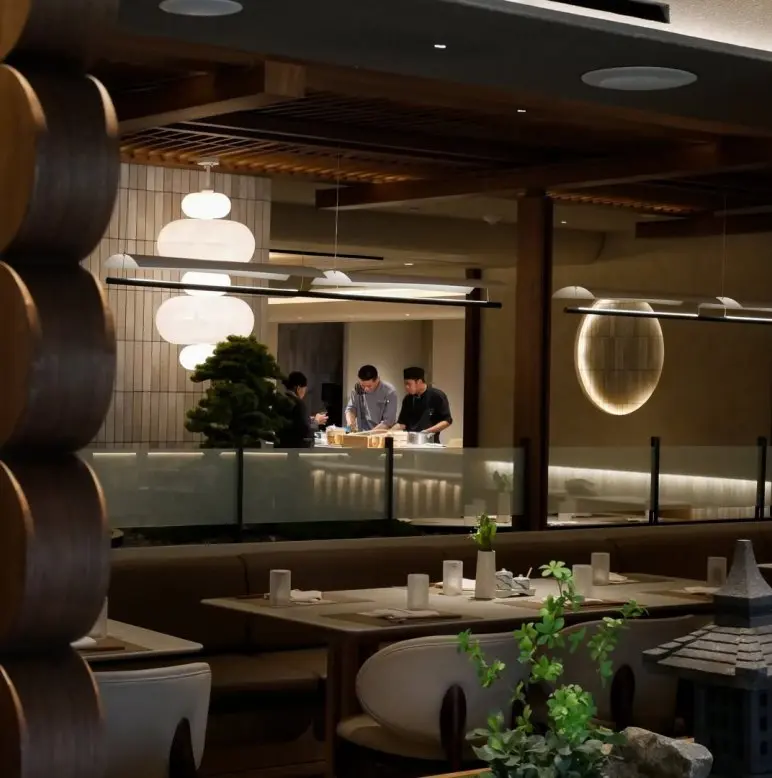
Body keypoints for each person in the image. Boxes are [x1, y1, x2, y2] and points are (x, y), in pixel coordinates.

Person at [392, 366, 452, 441]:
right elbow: (402, 423)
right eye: (405, 384)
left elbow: (447, 421)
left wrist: (426, 432)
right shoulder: (408, 399)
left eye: (408, 384)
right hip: (410, 441)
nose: (406, 387)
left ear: (419, 382)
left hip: (430, 441)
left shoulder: (437, 396)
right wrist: (389, 433)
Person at [277, 371, 327, 448]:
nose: (304, 393)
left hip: (280, 446)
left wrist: (309, 419)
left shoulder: (279, 399)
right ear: (298, 388)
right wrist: (316, 421)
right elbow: (306, 431)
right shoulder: (299, 403)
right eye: (304, 389)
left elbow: (294, 422)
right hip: (296, 448)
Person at [344, 364, 398, 432]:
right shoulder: (358, 388)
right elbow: (351, 408)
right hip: (362, 432)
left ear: (377, 380)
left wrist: (369, 434)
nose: (365, 389)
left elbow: (388, 422)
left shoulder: (389, 392)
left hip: (382, 433)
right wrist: (350, 424)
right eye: (363, 386)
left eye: (369, 386)